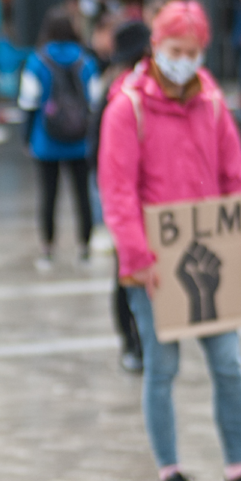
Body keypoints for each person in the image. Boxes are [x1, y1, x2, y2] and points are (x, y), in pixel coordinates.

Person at [99, 0, 241, 481]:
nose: (183, 59)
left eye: (192, 51)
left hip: (211, 252)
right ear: (155, 46)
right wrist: (137, 257)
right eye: (174, 49)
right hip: (154, 266)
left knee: (228, 364)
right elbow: (117, 192)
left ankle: (238, 472)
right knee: (162, 369)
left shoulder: (213, 103)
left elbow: (237, 178)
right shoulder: (127, 108)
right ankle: (170, 475)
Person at [88, 20, 150, 373]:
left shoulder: (139, 87)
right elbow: (95, 145)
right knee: (125, 269)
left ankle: (140, 341)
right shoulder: (114, 90)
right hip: (123, 194)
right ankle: (131, 342)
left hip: (152, 197)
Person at [18, 8, 99, 271]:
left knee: (49, 195)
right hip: (80, 140)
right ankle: (85, 246)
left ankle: (48, 248)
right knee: (82, 194)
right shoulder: (86, 61)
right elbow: (96, 102)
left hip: (47, 140)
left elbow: (28, 102)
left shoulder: (37, 61)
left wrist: (26, 138)